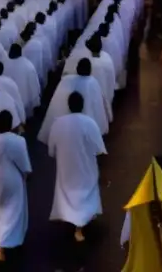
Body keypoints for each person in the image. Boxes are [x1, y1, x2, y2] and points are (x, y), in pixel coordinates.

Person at [47, 90, 106, 242]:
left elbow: (51, 149)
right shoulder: (89, 123)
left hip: (66, 167)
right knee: (84, 193)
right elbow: (99, 149)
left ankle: (72, 219)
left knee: (68, 193)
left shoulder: (58, 123)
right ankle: (79, 226)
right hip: (85, 166)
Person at [0, 109, 32, 262]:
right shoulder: (18, 141)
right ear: (11, 124)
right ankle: (10, 241)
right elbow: (24, 164)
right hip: (13, 179)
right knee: (14, 210)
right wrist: (27, 174)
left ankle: (1, 245)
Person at [39, 58, 109, 144]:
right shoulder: (92, 82)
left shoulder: (66, 80)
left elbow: (56, 103)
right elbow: (98, 107)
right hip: (85, 127)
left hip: (64, 128)